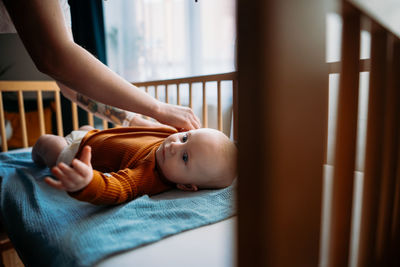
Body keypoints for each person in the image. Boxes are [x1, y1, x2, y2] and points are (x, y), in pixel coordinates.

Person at [1, 0, 200, 130]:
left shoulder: (60, 6)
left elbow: (70, 86)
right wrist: (158, 108)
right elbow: (53, 58)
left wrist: (138, 123)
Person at [32, 125, 237, 205]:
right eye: (185, 138)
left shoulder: (147, 176)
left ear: (185, 186)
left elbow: (117, 188)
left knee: (47, 143)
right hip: (93, 135)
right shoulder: (169, 139)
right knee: (86, 127)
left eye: (185, 158)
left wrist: (87, 182)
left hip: (77, 155)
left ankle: (33, 159)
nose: (174, 145)